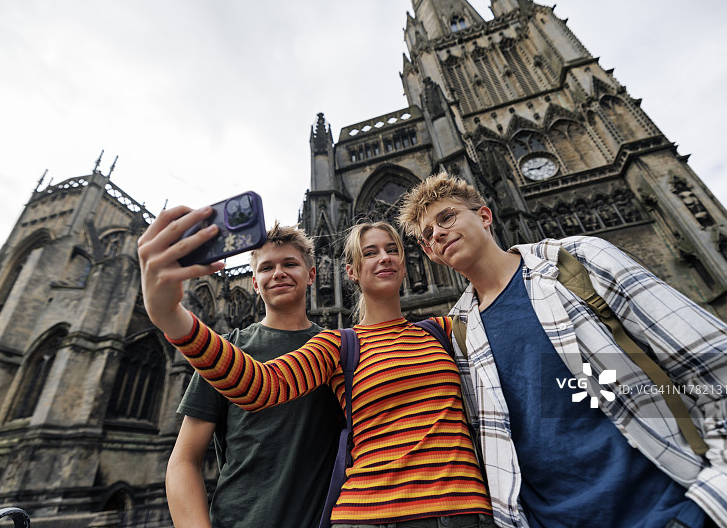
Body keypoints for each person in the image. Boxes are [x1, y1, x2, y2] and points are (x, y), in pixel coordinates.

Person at [397, 172, 727, 528]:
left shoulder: (578, 262)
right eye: (428, 235)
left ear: (484, 215)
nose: (440, 233)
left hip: (670, 507)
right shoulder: (458, 331)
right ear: (430, 254)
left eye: (447, 217)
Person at [139, 207, 494, 527]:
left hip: (459, 511)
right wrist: (171, 318)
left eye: (393, 250)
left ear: (410, 262)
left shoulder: (447, 329)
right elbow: (261, 385)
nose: (383, 258)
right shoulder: (335, 346)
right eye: (369, 252)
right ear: (349, 272)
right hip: (364, 515)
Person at [165, 222, 341, 528]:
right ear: (255, 283)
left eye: (290, 264)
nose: (279, 273)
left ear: (312, 275)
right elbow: (183, 460)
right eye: (267, 267)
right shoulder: (227, 349)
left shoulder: (341, 349)